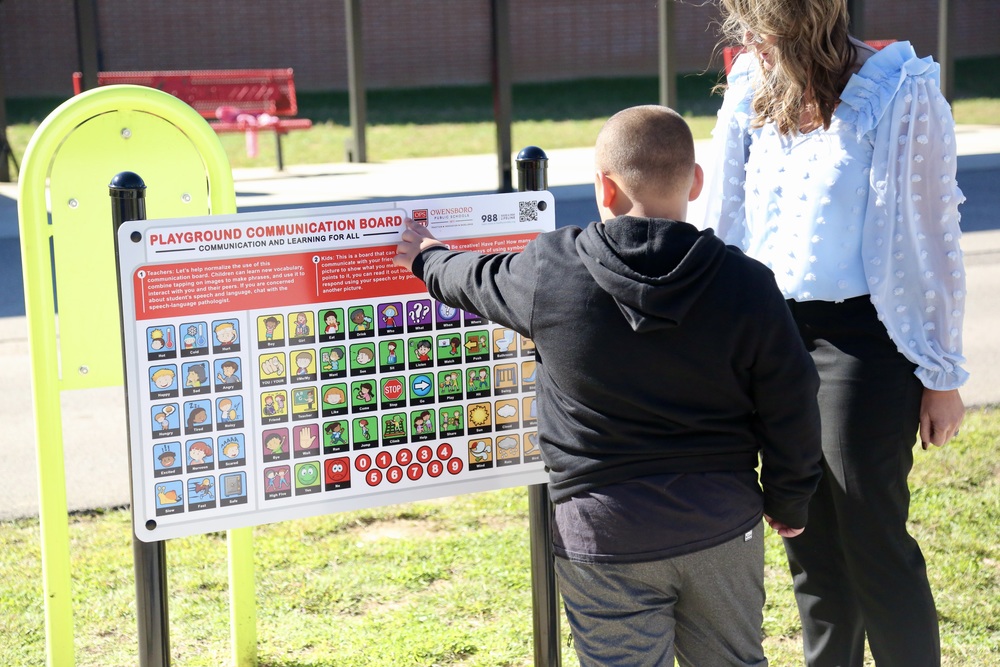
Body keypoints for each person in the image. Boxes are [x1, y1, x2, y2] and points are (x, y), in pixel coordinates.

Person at [393, 104, 823, 666]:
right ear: (695, 181)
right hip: (722, 519)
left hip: (602, 531)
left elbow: (475, 280)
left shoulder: (553, 269)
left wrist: (427, 258)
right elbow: (792, 398)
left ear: (604, 187)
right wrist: (790, 497)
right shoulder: (748, 284)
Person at [700, 2, 968, 665]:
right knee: (806, 545)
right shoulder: (749, 88)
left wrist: (940, 373)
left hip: (865, 345)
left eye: (761, 24)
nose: (749, 38)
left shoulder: (900, 91)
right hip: (772, 338)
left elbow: (928, 235)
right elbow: (721, 216)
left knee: (873, 541)